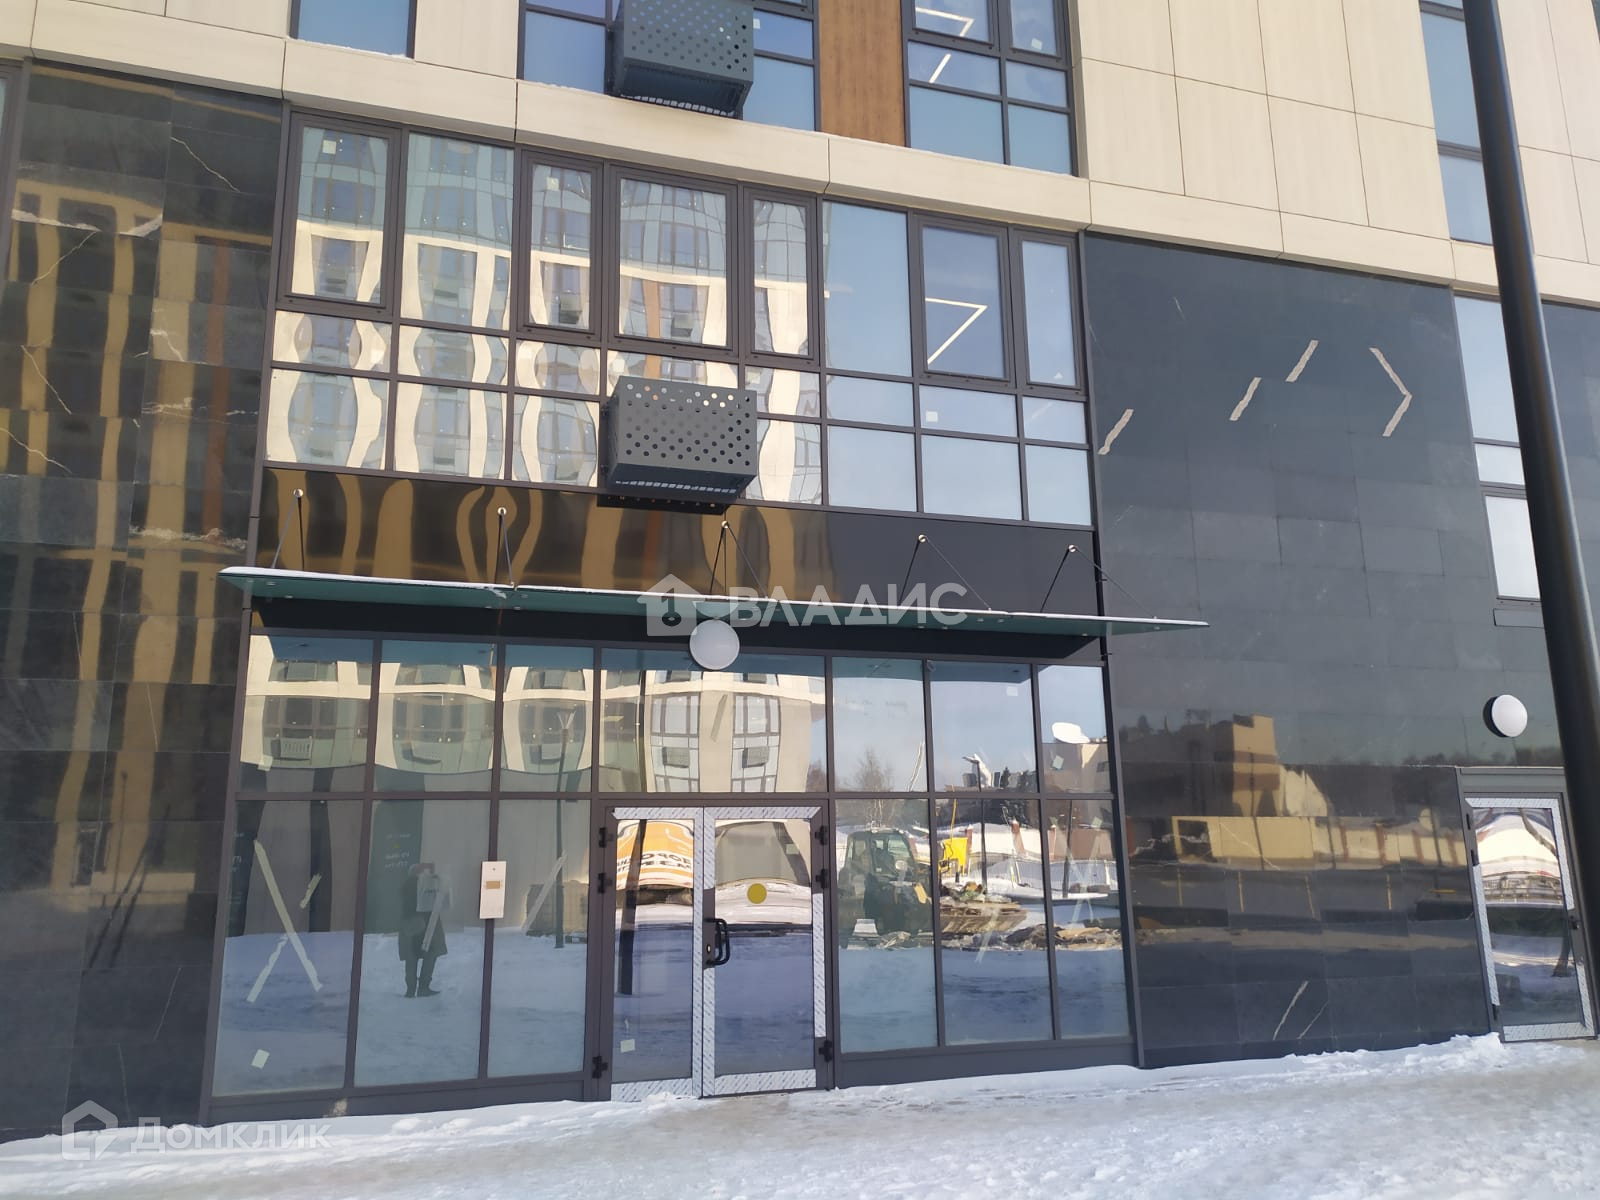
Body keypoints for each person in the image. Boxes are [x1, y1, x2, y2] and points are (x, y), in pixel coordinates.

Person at [398, 861, 449, 998]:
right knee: (430, 953)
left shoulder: (408, 884)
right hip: (424, 923)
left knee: (412, 957)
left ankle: (411, 989)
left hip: (412, 923)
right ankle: (423, 987)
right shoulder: (422, 884)